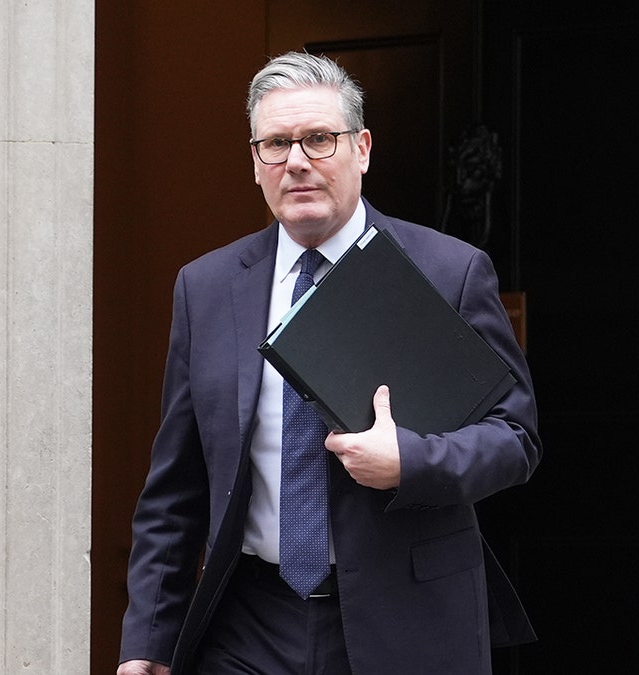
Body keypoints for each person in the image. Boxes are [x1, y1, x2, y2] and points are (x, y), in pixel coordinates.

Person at [117, 51, 541, 675]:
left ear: (362, 149)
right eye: (276, 145)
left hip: (403, 619)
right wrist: (148, 643)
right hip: (248, 621)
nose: (296, 162)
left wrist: (411, 463)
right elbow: (175, 489)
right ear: (255, 162)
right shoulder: (206, 289)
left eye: (319, 139)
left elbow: (516, 438)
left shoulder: (449, 272)